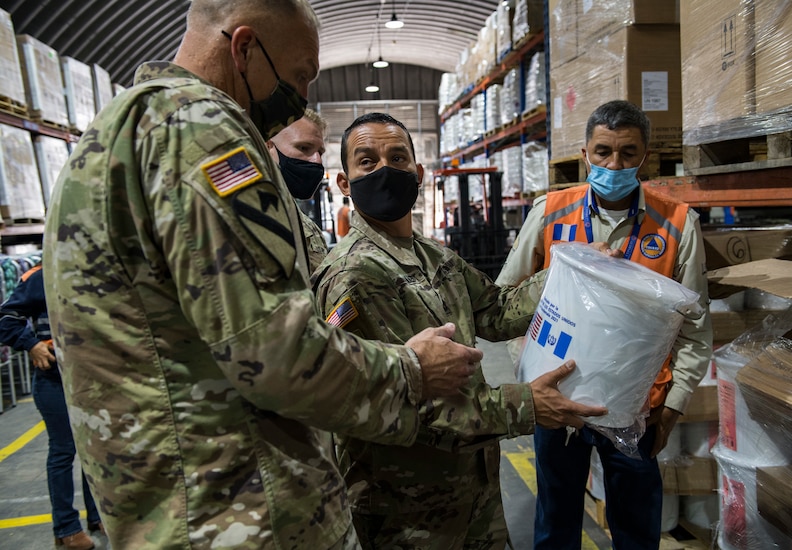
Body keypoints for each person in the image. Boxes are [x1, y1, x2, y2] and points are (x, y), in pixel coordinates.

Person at [41, 1, 483, 548]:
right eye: (299, 76)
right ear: (244, 48)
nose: (300, 97)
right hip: (242, 515)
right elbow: (278, 352)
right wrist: (412, 371)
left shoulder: (115, 132)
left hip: (170, 509)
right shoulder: (201, 129)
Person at [312, 112, 610, 549]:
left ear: (418, 173)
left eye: (397, 158)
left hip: (473, 492)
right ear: (344, 182)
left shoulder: (434, 257)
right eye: (367, 161)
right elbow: (405, 404)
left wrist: (570, 268)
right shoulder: (355, 274)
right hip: (408, 512)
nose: (384, 171)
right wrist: (527, 405)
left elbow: (498, 310)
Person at [495, 100, 713, 549]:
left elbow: (695, 328)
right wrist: (529, 371)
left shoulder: (676, 224)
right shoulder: (550, 214)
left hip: (639, 409)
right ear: (585, 153)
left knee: (636, 527)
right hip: (559, 402)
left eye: (628, 153)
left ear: (645, 156)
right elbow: (505, 301)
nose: (615, 164)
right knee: (556, 521)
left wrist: (672, 407)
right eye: (603, 152)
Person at [0, 265, 104, 550]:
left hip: (94, 380)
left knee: (92, 449)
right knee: (64, 450)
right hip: (54, 381)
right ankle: (66, 528)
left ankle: (97, 515)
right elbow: (5, 319)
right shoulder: (40, 276)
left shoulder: (94, 267)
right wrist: (31, 344)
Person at [268, 107, 329, 270]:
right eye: (304, 148)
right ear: (269, 146)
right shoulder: (248, 216)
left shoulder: (311, 230)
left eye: (320, 153)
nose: (316, 160)